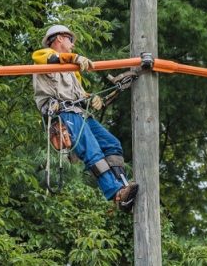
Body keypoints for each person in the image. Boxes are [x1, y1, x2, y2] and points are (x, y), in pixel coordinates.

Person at [32, 24, 139, 212]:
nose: (73, 45)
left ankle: (123, 185)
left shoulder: (72, 70)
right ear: (59, 39)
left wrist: (92, 98)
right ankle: (116, 193)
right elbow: (51, 59)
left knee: (111, 144)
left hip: (80, 113)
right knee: (93, 151)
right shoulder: (43, 55)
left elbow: (79, 95)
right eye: (70, 40)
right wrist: (74, 58)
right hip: (62, 114)